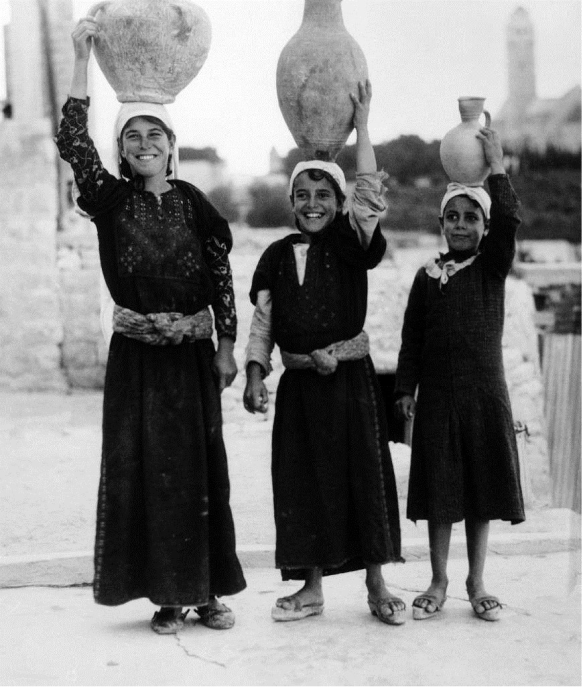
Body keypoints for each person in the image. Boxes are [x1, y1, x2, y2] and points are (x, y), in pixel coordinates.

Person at [55, 17, 246, 634]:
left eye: (154, 135)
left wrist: (226, 344)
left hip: (191, 358)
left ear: (171, 142)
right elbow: (73, 141)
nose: (144, 143)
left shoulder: (193, 201)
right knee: (149, 470)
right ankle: (167, 596)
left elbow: (219, 273)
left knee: (201, 471)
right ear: (122, 146)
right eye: (132, 135)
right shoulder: (110, 200)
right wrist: (82, 58)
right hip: (137, 359)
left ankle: (209, 593)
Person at [243, 81, 405, 625]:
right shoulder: (274, 255)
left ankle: (378, 587)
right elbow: (263, 323)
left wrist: (362, 127)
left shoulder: (350, 243)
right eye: (303, 196)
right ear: (290, 202)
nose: (313, 205)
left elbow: (369, 188)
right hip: (301, 389)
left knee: (363, 476)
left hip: (350, 384)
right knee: (304, 482)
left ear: (339, 206)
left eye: (324, 197)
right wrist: (256, 373)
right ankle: (310, 590)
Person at [394, 127, 525, 622]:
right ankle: (438, 579)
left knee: (479, 493)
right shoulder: (427, 276)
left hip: (485, 397)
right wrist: (406, 388)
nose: (461, 224)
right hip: (439, 400)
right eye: (453, 216)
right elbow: (412, 339)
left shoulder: (492, 267)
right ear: (441, 224)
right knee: (441, 492)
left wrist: (495, 165)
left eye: (472, 217)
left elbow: (510, 215)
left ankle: (476, 580)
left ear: (484, 227)